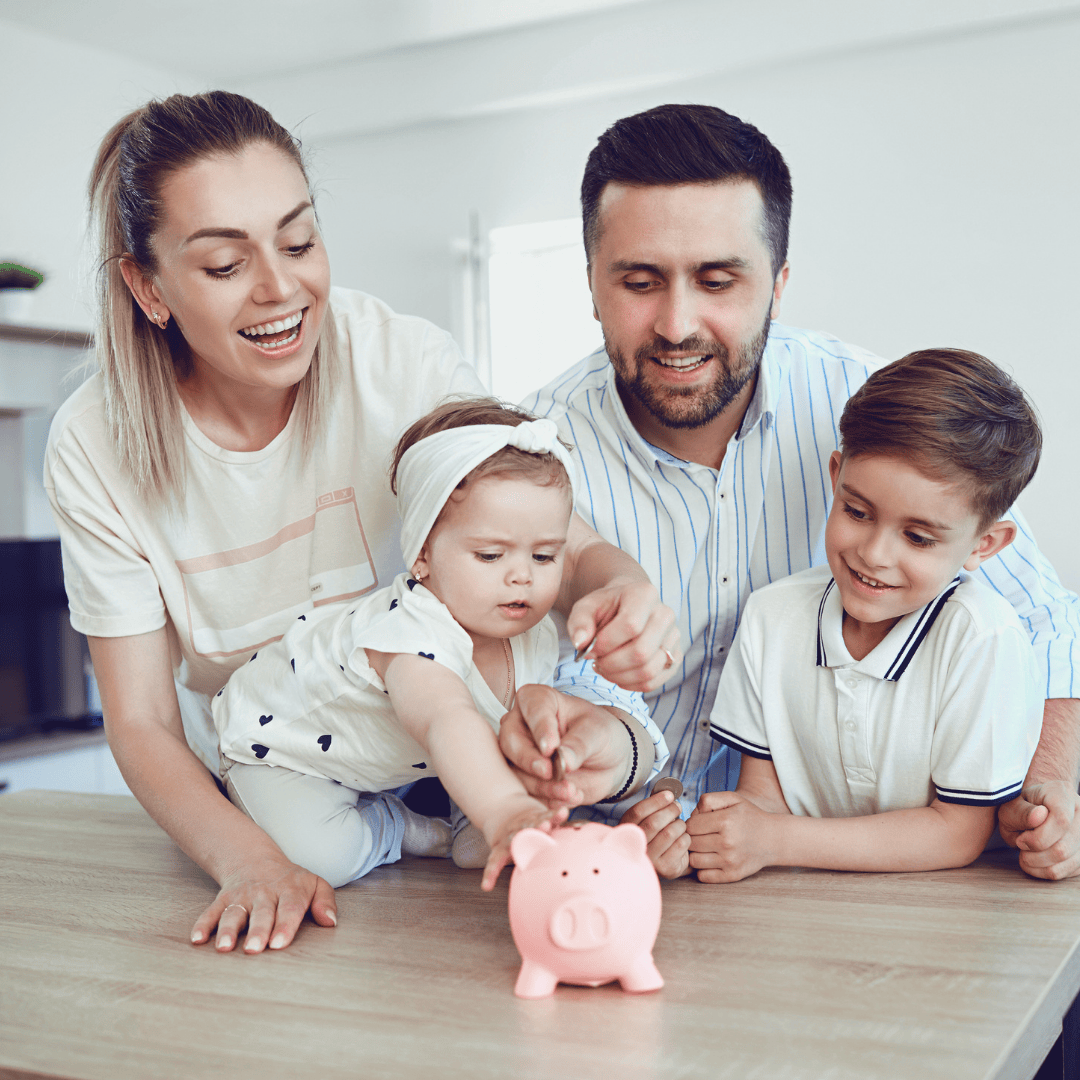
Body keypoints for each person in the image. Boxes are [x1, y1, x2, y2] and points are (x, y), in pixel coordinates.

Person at [44, 91, 680, 955]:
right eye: (225, 266)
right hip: (279, 787)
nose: (281, 287)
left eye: (300, 242)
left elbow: (544, 537)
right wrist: (251, 861)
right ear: (147, 287)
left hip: (442, 770)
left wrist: (619, 584)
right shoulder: (95, 444)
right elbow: (143, 719)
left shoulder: (400, 361)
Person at [508, 102, 1080, 881]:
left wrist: (1050, 790)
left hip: (834, 870)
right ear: (592, 285)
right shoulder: (529, 454)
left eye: (717, 280)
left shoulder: (863, 404)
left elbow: (1047, 625)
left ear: (778, 285)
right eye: (640, 281)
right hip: (606, 864)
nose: (677, 324)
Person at [214, 400, 637, 891]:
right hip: (281, 752)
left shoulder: (534, 631)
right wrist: (503, 809)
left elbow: (495, 730)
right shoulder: (410, 632)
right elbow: (446, 719)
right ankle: (399, 826)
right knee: (320, 859)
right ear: (421, 556)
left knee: (500, 765)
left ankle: (467, 823)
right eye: (490, 554)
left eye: (545, 556)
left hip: (394, 758)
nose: (522, 575)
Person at [691, 349, 1043, 879]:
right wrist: (721, 834)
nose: (874, 554)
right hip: (798, 912)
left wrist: (776, 839)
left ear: (985, 544)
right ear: (836, 476)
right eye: (857, 511)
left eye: (918, 537)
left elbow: (958, 831)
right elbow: (761, 799)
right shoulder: (771, 617)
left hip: (941, 919)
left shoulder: (982, 638)